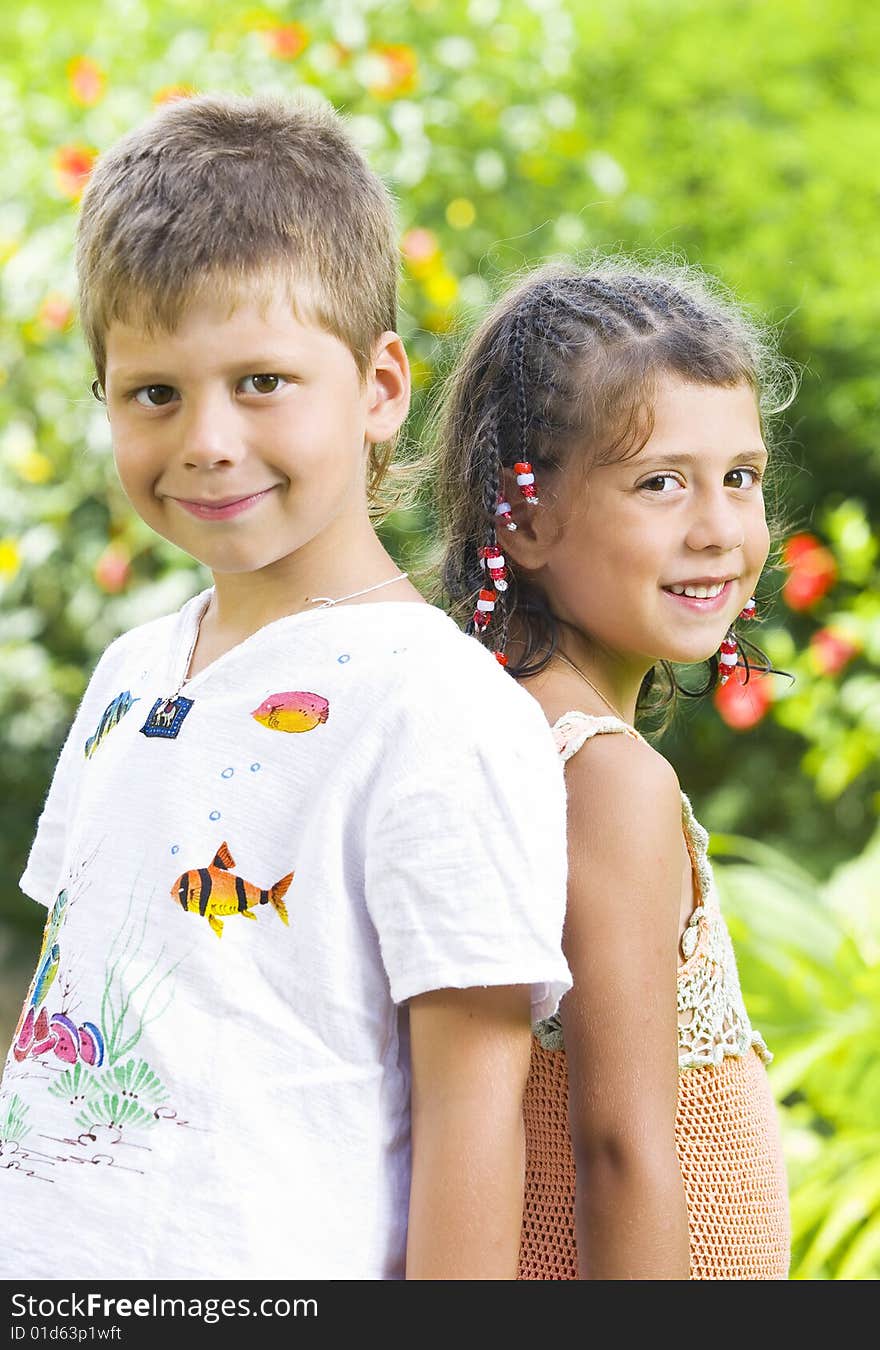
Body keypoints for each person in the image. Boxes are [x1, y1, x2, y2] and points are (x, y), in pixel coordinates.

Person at [0, 94, 572, 1281]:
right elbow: (70, 1009)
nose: (206, 438)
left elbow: (475, 1114)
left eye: (261, 381)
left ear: (377, 387)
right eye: (153, 392)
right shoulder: (131, 671)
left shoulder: (440, 712)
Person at [433, 260, 792, 1279]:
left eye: (741, 477)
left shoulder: (485, 723)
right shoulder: (605, 779)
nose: (718, 527)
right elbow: (621, 1151)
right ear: (525, 517)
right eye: (660, 483)